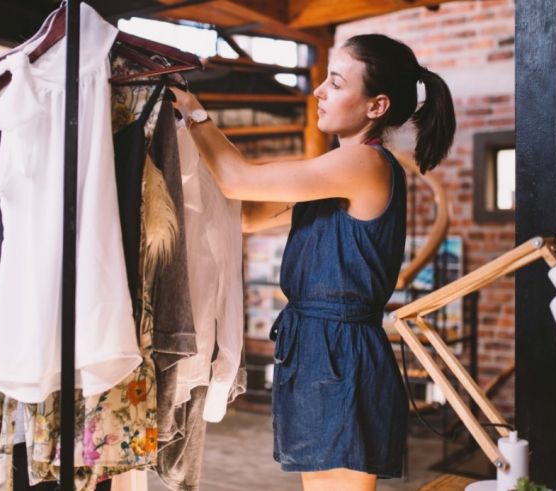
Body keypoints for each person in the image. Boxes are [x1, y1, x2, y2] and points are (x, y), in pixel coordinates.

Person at [171, 33, 456, 491]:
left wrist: (195, 114)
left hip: (340, 354)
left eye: (336, 83)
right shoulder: (335, 170)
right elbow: (248, 215)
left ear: (376, 106)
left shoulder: (364, 164)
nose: (319, 91)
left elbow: (237, 178)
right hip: (314, 347)